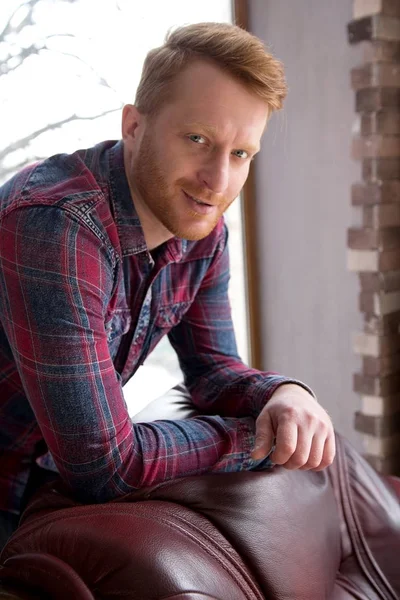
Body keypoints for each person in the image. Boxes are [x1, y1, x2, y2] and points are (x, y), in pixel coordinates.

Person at [0, 22, 335, 551]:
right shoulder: (56, 225)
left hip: (39, 479)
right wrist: (259, 438)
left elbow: (212, 371)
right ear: (134, 125)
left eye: (241, 154)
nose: (218, 181)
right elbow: (105, 465)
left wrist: (282, 395)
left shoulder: (202, 227)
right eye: (198, 139)